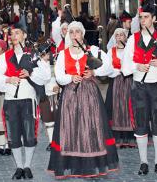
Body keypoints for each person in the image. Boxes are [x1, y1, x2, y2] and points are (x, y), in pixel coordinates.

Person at [48, 21, 118, 179]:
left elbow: (109, 67)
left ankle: (92, 164)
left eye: (77, 32)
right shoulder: (63, 54)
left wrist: (93, 72)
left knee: (91, 128)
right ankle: (72, 165)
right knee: (71, 128)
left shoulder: (92, 50)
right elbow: (59, 76)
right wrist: (70, 77)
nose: (74, 35)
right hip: (70, 96)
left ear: (82, 34)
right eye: (71, 32)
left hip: (90, 95)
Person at [122, 2, 157, 175]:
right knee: (140, 124)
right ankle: (143, 162)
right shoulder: (133, 39)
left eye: (146, 17)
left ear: (154, 19)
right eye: (141, 17)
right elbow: (125, 67)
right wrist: (136, 67)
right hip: (139, 86)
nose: (143, 20)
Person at [0, 23, 51, 180]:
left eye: (17, 33)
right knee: (14, 136)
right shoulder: (5, 56)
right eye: (11, 34)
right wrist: (8, 79)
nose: (13, 36)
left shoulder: (33, 54)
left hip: (28, 100)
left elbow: (45, 76)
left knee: (30, 135)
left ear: (24, 35)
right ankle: (19, 166)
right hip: (11, 100)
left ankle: (27, 166)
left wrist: (30, 73)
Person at [105, 28, 135, 148]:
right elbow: (107, 68)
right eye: (117, 35)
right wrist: (115, 71)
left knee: (129, 107)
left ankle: (130, 138)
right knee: (117, 108)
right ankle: (119, 138)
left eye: (121, 35)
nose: (119, 37)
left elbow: (135, 64)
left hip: (129, 82)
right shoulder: (110, 51)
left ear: (125, 37)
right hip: (116, 82)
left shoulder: (130, 50)